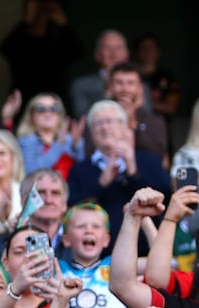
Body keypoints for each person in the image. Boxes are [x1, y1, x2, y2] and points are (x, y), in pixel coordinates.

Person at [66, 99, 170, 256]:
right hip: (97, 258)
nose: (105, 127)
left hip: (146, 253)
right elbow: (71, 208)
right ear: (91, 133)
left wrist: (134, 171)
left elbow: (166, 197)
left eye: (110, 121)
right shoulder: (80, 169)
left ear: (125, 126)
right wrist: (101, 183)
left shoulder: (148, 160)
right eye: (98, 123)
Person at [0, 0, 84, 118]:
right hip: (24, 102)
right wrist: (26, 21)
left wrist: (63, 23)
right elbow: (5, 49)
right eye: (33, 10)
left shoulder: (57, 39)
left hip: (55, 101)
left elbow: (78, 52)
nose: (38, 14)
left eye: (42, 10)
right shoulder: (20, 38)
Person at [58, 201, 128, 308]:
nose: (89, 230)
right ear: (66, 239)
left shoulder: (116, 267)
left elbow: (156, 264)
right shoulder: (56, 270)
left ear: (106, 240)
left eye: (96, 226)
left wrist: (141, 218)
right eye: (81, 226)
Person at [0, 168, 72, 263]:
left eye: (55, 193)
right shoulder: (0, 247)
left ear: (64, 204)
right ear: (23, 201)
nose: (48, 200)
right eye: (40, 193)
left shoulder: (80, 244)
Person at [104, 61, 169, 169]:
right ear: (109, 87)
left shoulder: (155, 121)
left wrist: (133, 123)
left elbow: (159, 156)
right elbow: (89, 153)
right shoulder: (96, 119)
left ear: (140, 89)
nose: (125, 89)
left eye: (131, 83)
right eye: (119, 83)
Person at [68, 29, 137, 119]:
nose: (114, 53)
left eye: (118, 48)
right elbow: (82, 118)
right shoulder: (81, 85)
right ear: (97, 54)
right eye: (107, 48)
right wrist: (107, 95)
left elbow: (148, 121)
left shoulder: (141, 86)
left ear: (127, 54)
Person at [14, 92, 85, 178]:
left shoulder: (71, 140)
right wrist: (58, 145)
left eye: (54, 108)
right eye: (41, 109)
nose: (48, 113)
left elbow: (83, 175)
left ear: (60, 114)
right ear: (32, 115)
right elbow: (32, 172)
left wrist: (77, 145)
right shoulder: (25, 142)